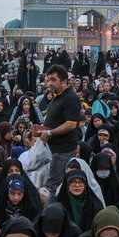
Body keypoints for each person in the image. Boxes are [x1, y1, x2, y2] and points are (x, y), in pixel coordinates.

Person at [33, 64, 81, 198]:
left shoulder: (70, 98)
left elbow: (71, 124)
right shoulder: (57, 96)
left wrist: (49, 133)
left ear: (64, 80)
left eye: (53, 80)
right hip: (53, 150)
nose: (50, 83)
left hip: (62, 152)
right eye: (49, 80)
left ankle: (52, 216)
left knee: (56, 187)